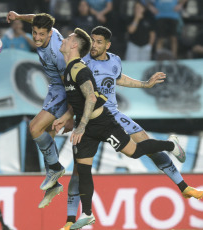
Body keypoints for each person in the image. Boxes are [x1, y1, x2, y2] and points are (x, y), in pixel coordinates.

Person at [58, 25, 203, 230]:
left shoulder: (115, 60)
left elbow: (118, 78)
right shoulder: (82, 63)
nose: (94, 45)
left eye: (99, 42)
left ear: (107, 45)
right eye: (92, 40)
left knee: (144, 143)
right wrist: (70, 117)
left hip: (111, 115)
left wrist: (145, 84)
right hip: (88, 118)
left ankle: (184, 186)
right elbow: (78, 95)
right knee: (79, 172)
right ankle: (71, 220)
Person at [6, 11, 73, 209]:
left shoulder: (57, 54)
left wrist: (70, 115)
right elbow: (35, 17)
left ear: (50, 34)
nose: (36, 37)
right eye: (34, 33)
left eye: (41, 34)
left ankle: (56, 169)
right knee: (48, 138)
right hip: (54, 88)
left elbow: (70, 83)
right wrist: (18, 16)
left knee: (35, 128)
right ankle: (54, 184)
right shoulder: (46, 31)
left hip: (63, 90)